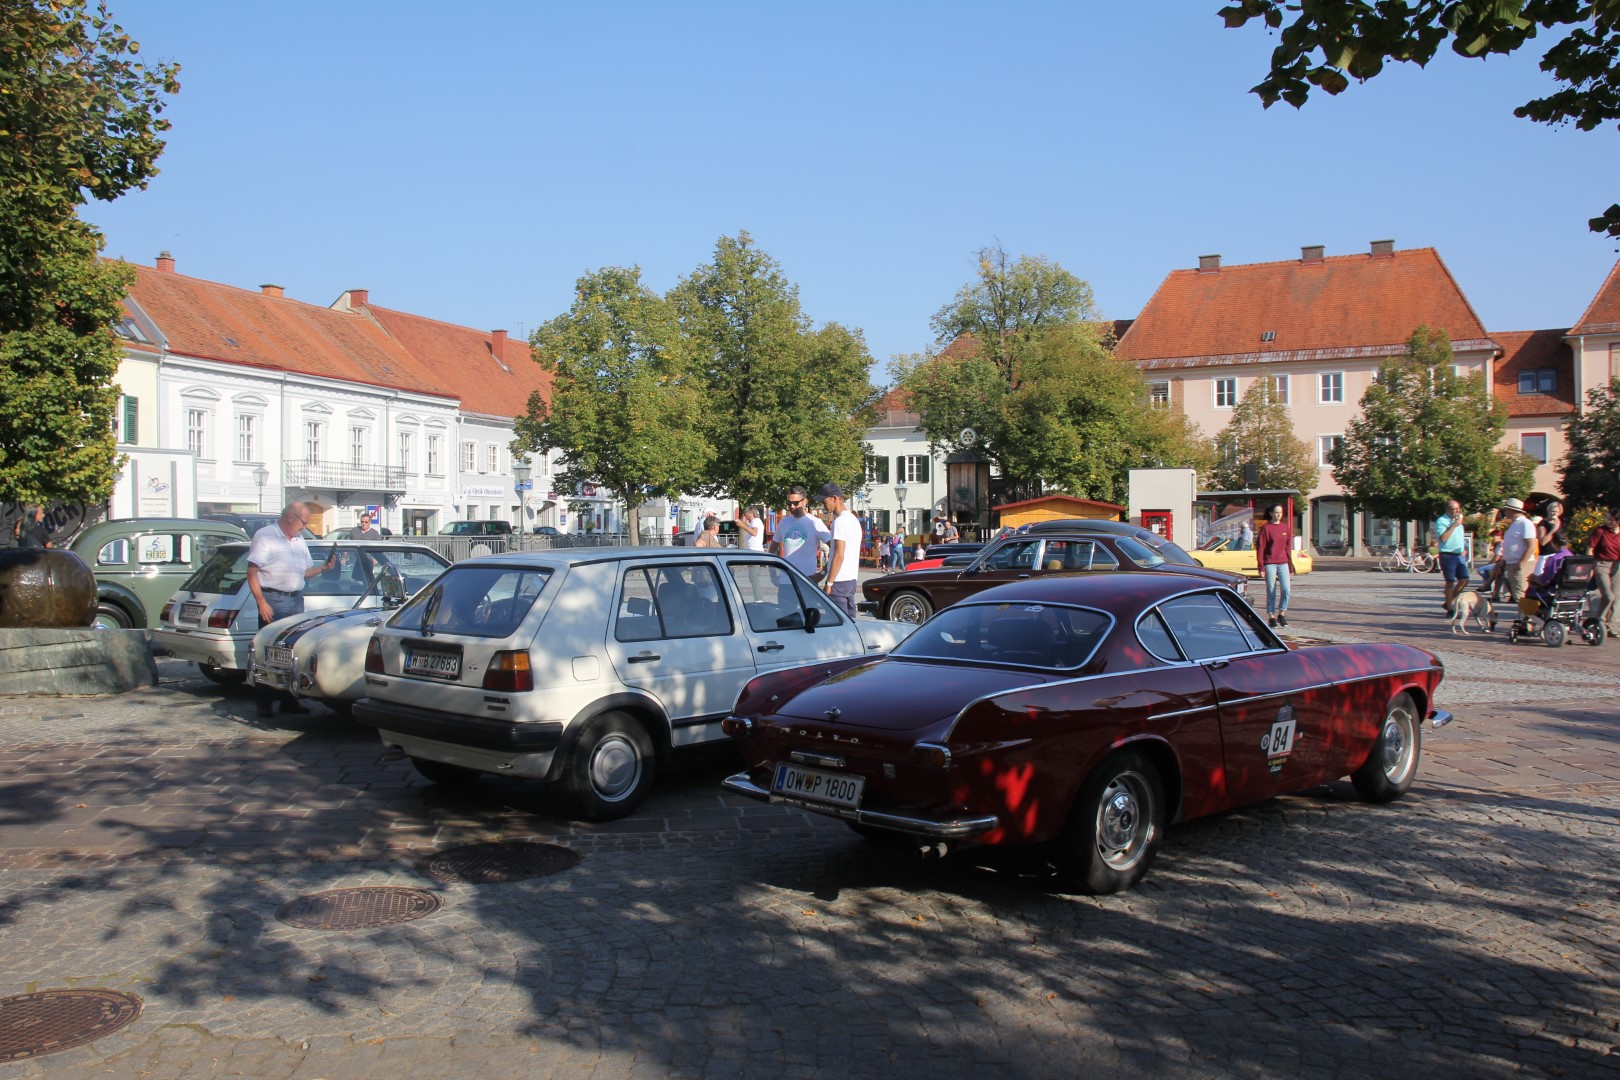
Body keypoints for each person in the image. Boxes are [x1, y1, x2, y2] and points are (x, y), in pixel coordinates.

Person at [247, 502, 336, 718]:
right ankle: (264, 702)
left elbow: (304, 572)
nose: (304, 527)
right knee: (270, 651)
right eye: (303, 522)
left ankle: (289, 700)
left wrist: (324, 568)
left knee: (292, 650)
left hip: (295, 599)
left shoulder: (298, 540)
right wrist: (261, 602)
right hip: (274, 599)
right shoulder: (266, 536)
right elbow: (251, 572)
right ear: (291, 517)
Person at [819, 483, 861, 620]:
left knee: (839, 623)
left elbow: (838, 555)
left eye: (825, 501)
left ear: (835, 498)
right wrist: (823, 573)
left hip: (839, 581)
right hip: (851, 579)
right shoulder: (854, 520)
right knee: (851, 621)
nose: (823, 506)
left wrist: (829, 583)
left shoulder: (839, 522)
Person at [771, 485, 829, 579]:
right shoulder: (784, 522)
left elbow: (835, 549)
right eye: (789, 503)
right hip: (787, 581)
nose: (792, 506)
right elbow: (772, 549)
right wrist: (773, 574)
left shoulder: (815, 522)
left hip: (807, 581)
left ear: (805, 501)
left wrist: (822, 574)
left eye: (796, 503)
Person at [1254, 503, 1297, 628]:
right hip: (1270, 563)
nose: (1279, 515)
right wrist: (1261, 566)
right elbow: (1261, 548)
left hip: (1283, 562)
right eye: (1276, 512)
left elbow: (1288, 548)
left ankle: (1282, 614)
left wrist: (1290, 565)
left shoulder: (1285, 528)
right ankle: (1271, 616)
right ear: (1271, 513)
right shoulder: (1266, 528)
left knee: (1286, 589)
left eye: (1281, 512)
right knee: (1271, 590)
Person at [1497, 497, 1539, 604]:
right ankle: (1523, 618)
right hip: (1511, 563)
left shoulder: (1525, 523)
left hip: (1520, 564)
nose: (1505, 512)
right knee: (1518, 595)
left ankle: (1527, 619)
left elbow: (1531, 545)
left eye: (1507, 510)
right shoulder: (1515, 524)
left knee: (1522, 594)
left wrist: (1522, 562)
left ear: (1513, 511)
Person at [1434, 498, 1470, 616]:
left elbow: (1459, 536)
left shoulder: (1459, 520)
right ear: (1447, 510)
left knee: (1464, 579)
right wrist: (1454, 525)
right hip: (1447, 555)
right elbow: (1443, 538)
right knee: (1450, 581)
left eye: (1458, 509)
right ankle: (1450, 609)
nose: (1456, 512)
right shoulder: (1442, 521)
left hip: (1458, 554)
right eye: (1454, 509)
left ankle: (1448, 601)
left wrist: (1463, 548)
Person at [1588, 511, 1620, 637]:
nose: (1608, 521)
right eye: (1607, 519)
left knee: (1616, 597)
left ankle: (1611, 626)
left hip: (1617, 566)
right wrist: (1589, 566)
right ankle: (1599, 622)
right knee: (1608, 595)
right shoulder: (1601, 531)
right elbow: (1590, 548)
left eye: (1611, 520)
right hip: (1601, 564)